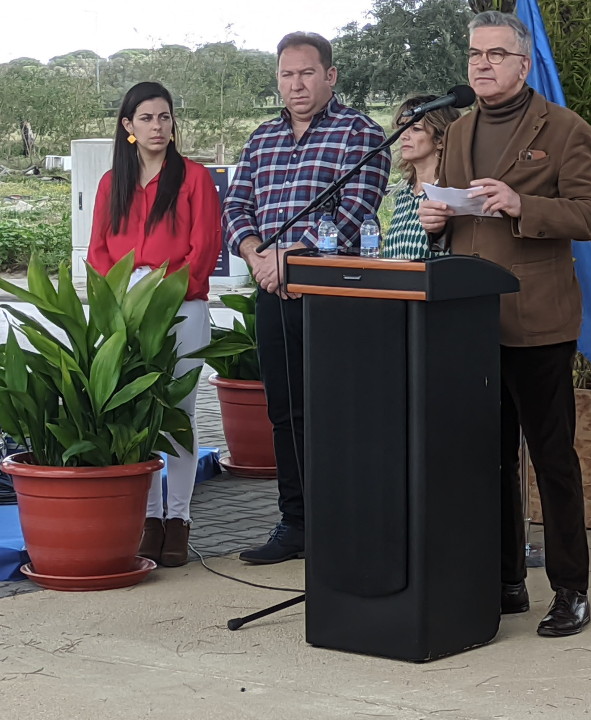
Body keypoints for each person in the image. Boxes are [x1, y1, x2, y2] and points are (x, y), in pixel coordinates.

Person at [418, 11, 591, 638]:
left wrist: (522, 203)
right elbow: (448, 204)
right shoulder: (459, 129)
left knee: (552, 458)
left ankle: (571, 589)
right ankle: (504, 581)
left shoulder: (563, 129)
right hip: (471, 324)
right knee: (489, 459)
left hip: (539, 319)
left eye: (496, 54)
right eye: (474, 54)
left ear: (523, 65)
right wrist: (437, 219)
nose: (481, 65)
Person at [223, 32, 390, 564]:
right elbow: (235, 206)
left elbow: (356, 210)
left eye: (306, 73)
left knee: (337, 408)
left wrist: (286, 258)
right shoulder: (262, 138)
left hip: (332, 292)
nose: (295, 84)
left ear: (330, 76)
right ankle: (295, 522)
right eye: (286, 75)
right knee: (284, 411)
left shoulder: (359, 131)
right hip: (272, 288)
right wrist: (255, 255)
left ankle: (345, 520)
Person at [88, 81, 222, 569]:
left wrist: (167, 289)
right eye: (146, 118)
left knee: (179, 413)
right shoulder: (111, 184)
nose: (157, 127)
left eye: (164, 117)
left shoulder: (194, 178)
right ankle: (148, 518)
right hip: (126, 310)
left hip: (181, 306)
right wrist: (125, 292)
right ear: (128, 126)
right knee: (139, 412)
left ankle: (178, 519)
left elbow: (204, 248)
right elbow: (99, 251)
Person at [381, 96, 460, 260]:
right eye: (402, 127)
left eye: (415, 128)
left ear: (440, 140)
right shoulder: (404, 195)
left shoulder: (450, 193)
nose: (403, 135)